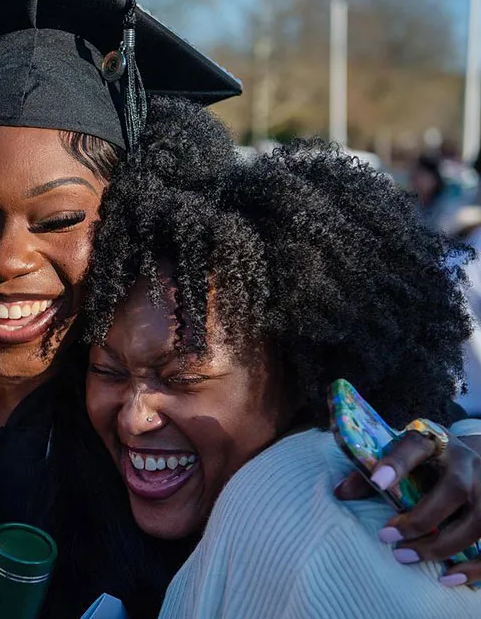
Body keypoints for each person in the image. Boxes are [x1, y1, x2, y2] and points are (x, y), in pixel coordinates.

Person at [0, 0, 481, 615]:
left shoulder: (200, 417)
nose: (6, 258)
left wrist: (463, 450)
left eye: (58, 220)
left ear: (129, 221)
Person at [80, 131, 481, 616]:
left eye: (183, 377)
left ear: (297, 373)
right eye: (107, 370)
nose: (133, 418)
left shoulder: (325, 540)